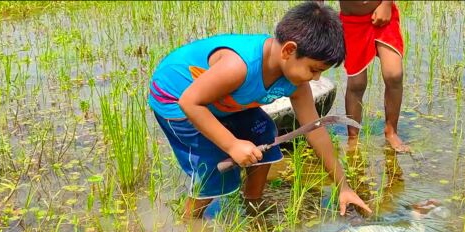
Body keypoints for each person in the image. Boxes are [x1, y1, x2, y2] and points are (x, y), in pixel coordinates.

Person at [148, 2, 372, 219]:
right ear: (289, 50)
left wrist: (344, 187)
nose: (315, 78)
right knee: (213, 164)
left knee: (264, 132)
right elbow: (190, 103)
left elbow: (315, 130)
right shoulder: (239, 66)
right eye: (313, 70)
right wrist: (231, 144)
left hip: (224, 101)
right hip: (176, 98)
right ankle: (189, 221)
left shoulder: (296, 83)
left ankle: (252, 202)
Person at [337, 1, 410, 152]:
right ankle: (353, 136)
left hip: (384, 15)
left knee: (394, 74)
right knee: (356, 83)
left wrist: (387, 4)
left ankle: (391, 131)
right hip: (352, 22)